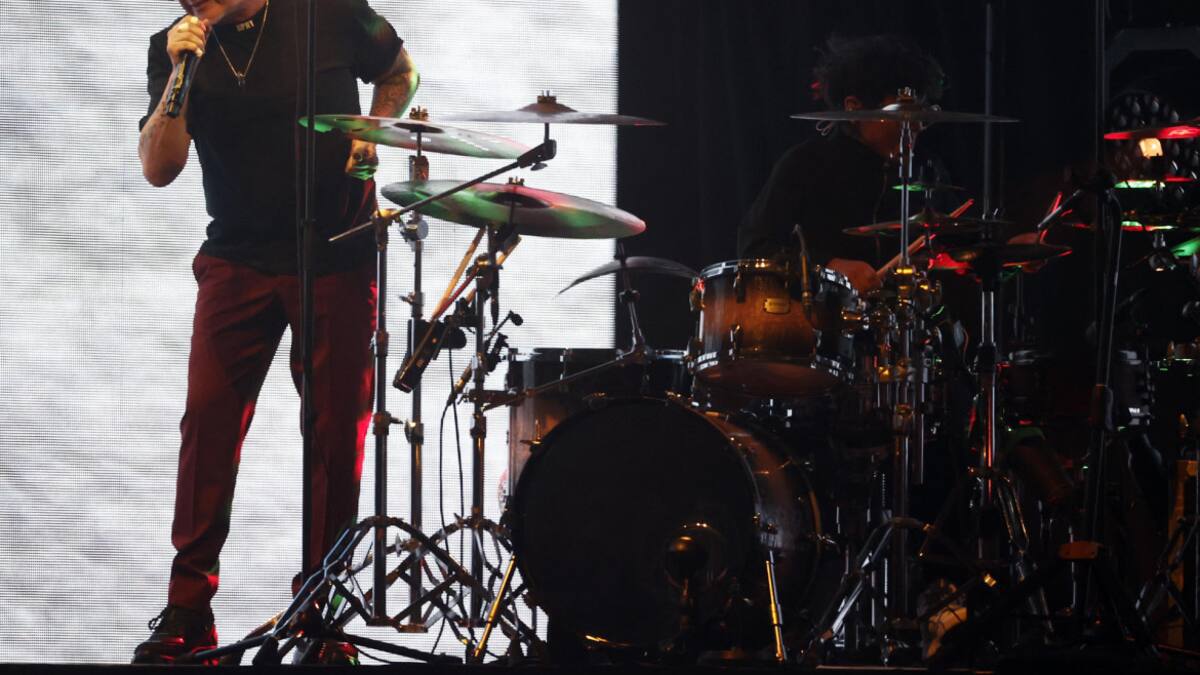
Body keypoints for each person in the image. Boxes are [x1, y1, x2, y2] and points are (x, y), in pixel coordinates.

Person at [133, 0, 417, 664]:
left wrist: (374, 130)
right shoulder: (175, 50)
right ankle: (187, 611)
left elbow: (401, 69)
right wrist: (179, 74)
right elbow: (157, 164)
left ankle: (323, 609)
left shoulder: (331, 11)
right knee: (207, 422)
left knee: (334, 429)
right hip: (236, 256)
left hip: (336, 251)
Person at [738, 34, 946, 293]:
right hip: (822, 323)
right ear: (854, 108)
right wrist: (828, 267)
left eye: (919, 115)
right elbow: (755, 248)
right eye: (901, 115)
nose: (915, 127)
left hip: (901, 324)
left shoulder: (925, 170)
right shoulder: (805, 164)